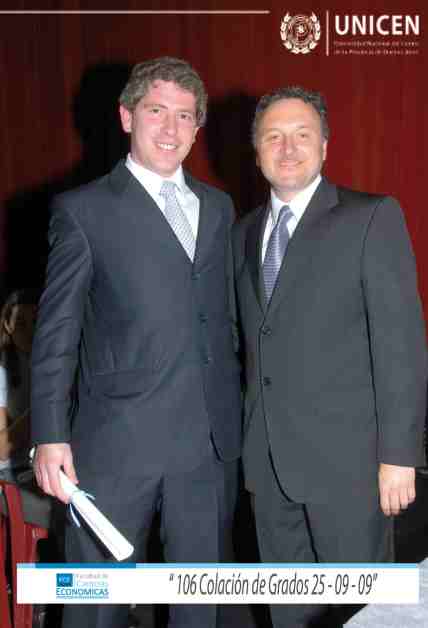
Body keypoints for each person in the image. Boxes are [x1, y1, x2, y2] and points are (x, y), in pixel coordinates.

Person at [31, 57, 242, 628]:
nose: (171, 129)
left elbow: (222, 320)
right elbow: (56, 333)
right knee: (95, 606)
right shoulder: (83, 210)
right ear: (127, 117)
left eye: (184, 116)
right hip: (114, 445)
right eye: (156, 111)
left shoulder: (218, 209)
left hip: (207, 448)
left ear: (197, 128)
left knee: (200, 604)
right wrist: (49, 434)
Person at [233, 86, 427, 627]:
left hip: (352, 472)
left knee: (361, 613)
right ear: (256, 150)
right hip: (268, 471)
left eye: (302, 134)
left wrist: (399, 456)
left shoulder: (371, 217)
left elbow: (401, 345)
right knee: (289, 612)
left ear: (325, 146)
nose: (288, 147)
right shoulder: (241, 234)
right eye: (273, 136)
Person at [0, 289, 37, 481]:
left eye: (36, 321)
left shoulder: (50, 366)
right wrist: (45, 406)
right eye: (21, 323)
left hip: (42, 468)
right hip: (10, 473)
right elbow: (2, 449)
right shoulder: (2, 370)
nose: (31, 331)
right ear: (7, 325)